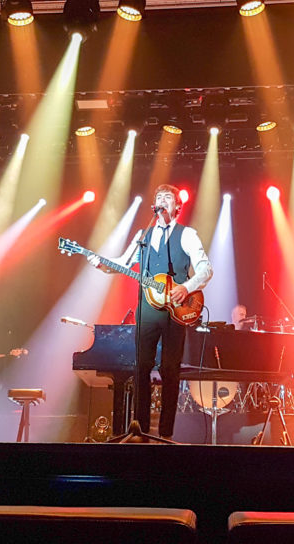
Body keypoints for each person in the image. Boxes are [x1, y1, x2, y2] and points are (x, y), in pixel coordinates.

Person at [88, 184, 213, 439]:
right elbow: (122, 264)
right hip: (147, 309)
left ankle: (166, 433)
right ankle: (141, 430)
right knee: (141, 367)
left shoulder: (187, 234)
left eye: (168, 197)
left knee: (170, 369)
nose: (162, 200)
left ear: (177, 207)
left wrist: (186, 288)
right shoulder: (142, 235)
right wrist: (101, 264)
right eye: (159, 197)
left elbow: (205, 269)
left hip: (177, 309)